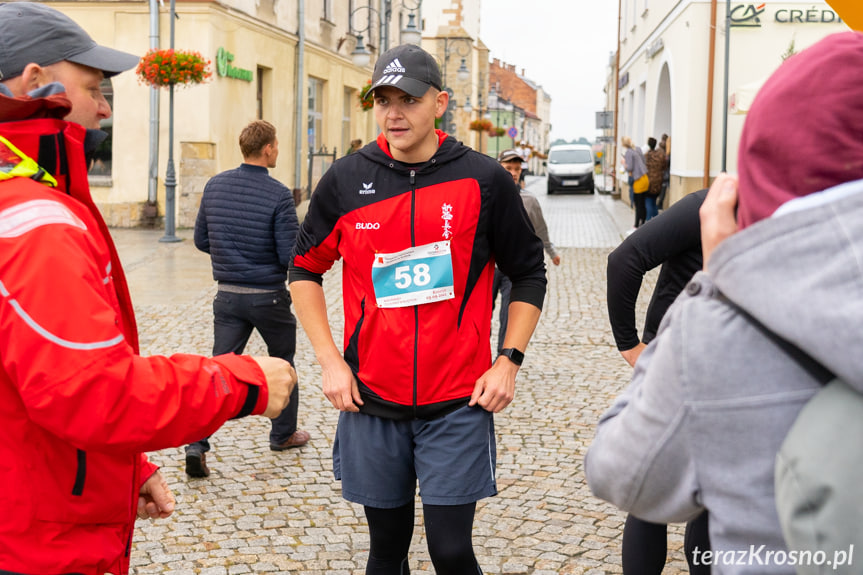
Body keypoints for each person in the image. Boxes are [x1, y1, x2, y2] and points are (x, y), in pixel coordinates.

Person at [0, 3, 295, 574]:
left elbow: (34, 379)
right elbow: (91, 391)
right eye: (93, 87)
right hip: (37, 543)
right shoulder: (33, 221)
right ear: (34, 81)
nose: (105, 106)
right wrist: (245, 382)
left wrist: (129, 467)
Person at [586, 31, 863, 574]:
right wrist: (633, 344)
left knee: (698, 521)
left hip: (702, 367)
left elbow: (620, 472)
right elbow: (626, 259)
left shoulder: (716, 329)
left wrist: (716, 285)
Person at [289, 43, 547, 574]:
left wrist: (508, 361)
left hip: (457, 400)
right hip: (371, 399)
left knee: (452, 552)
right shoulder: (344, 180)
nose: (393, 112)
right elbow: (303, 271)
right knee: (386, 551)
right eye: (382, 99)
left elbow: (528, 273)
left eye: (407, 98)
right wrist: (331, 362)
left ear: (440, 103)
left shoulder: (484, 180)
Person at [185, 119, 308, 478]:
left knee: (218, 370)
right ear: (268, 148)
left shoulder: (215, 185)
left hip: (227, 297)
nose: (277, 150)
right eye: (277, 145)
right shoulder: (279, 194)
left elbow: (201, 241)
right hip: (268, 297)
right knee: (283, 361)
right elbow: (290, 253)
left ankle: (197, 443)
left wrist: (232, 257)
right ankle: (283, 434)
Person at [606, 188, 711, 574]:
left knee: (709, 495)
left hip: (736, 369)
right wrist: (630, 344)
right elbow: (625, 259)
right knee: (654, 493)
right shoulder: (709, 203)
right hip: (675, 366)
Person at [493, 148, 560, 353]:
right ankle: (477, 358)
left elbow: (540, 230)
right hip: (488, 267)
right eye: (508, 168)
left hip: (513, 269)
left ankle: (500, 361)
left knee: (508, 316)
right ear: (498, 168)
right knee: (479, 314)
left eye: (516, 169)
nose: (513, 172)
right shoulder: (487, 195)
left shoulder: (529, 201)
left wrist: (551, 251)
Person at [622, 137, 649, 228]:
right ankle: (642, 223)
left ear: (624, 145)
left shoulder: (629, 152)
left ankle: (637, 225)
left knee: (637, 204)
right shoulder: (638, 149)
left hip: (638, 180)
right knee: (643, 203)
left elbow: (630, 167)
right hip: (645, 178)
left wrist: (624, 165)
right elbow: (644, 161)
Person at [644, 137, 666, 222]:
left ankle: (649, 222)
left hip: (649, 182)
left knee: (648, 201)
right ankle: (657, 221)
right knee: (654, 201)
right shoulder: (660, 155)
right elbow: (664, 167)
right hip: (659, 181)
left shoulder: (646, 156)